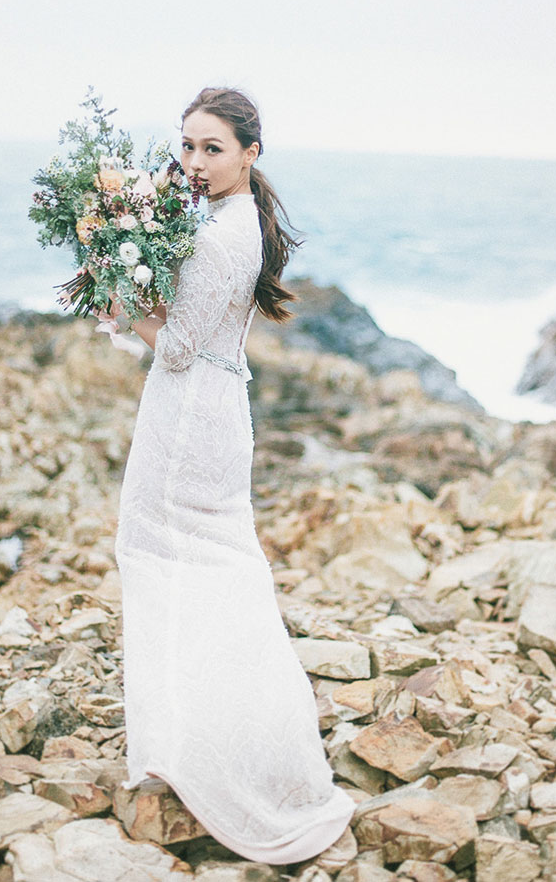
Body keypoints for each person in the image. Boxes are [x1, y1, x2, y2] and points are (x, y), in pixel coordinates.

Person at [96, 87, 356, 864]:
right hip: (209, 409)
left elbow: (175, 346)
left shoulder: (222, 236)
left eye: (213, 148)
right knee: (209, 569)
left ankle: (200, 753)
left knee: (165, 564)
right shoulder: (232, 223)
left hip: (187, 418)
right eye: (187, 147)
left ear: (250, 152)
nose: (195, 163)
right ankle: (203, 741)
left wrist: (117, 295)